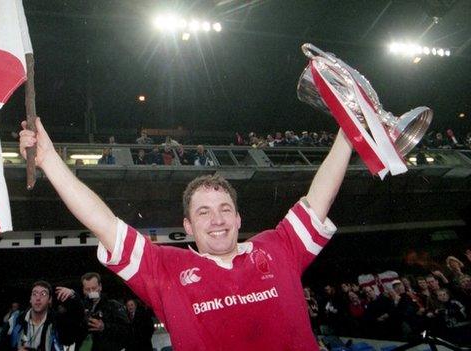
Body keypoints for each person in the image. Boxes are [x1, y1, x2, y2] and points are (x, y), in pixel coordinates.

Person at [19, 118, 352, 350]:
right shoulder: (165, 269)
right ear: (188, 227)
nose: (217, 220)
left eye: (224, 209)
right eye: (203, 212)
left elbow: (319, 196)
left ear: (238, 219)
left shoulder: (276, 247)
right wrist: (49, 161)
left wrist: (349, 133)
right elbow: (104, 223)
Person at [0, 280, 84, 351]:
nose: (38, 298)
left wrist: (74, 296)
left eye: (43, 294)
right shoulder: (15, 320)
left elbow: (78, 322)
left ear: (50, 300)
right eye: (34, 294)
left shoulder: (58, 321)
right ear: (30, 299)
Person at [78, 272, 131, 351]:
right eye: (87, 289)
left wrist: (105, 327)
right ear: (83, 290)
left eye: (94, 288)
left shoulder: (113, 305)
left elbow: (128, 331)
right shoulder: (81, 308)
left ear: (100, 287)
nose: (91, 292)